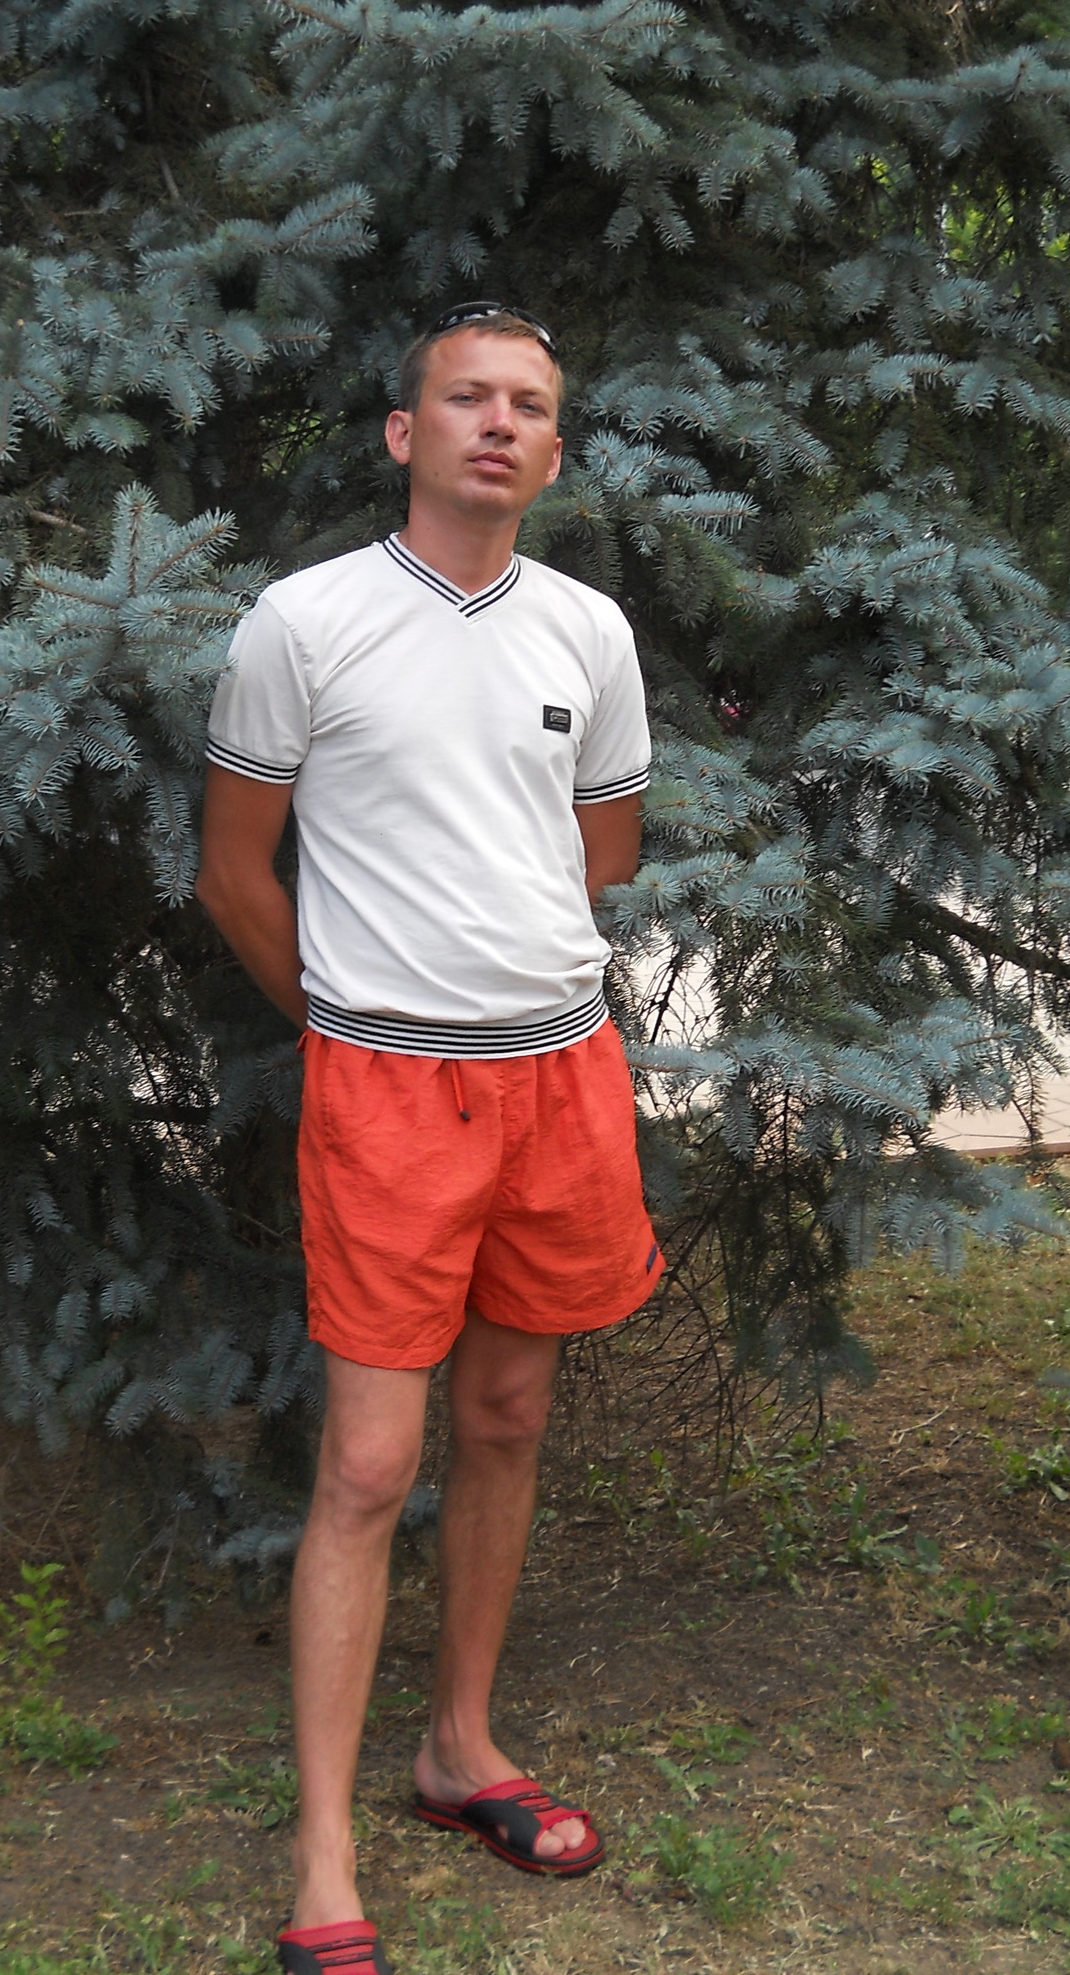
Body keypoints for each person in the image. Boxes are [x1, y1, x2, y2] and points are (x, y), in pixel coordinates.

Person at [194, 300, 663, 1975]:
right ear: (408, 434)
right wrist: (342, 1018)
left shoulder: (589, 632)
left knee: (511, 1413)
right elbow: (234, 870)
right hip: (385, 1089)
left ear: (553, 453)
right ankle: (323, 1857)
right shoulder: (306, 622)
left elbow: (603, 853)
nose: (497, 422)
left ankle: (459, 1749)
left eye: (528, 404)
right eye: (467, 397)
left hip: (558, 1076)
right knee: (370, 1466)